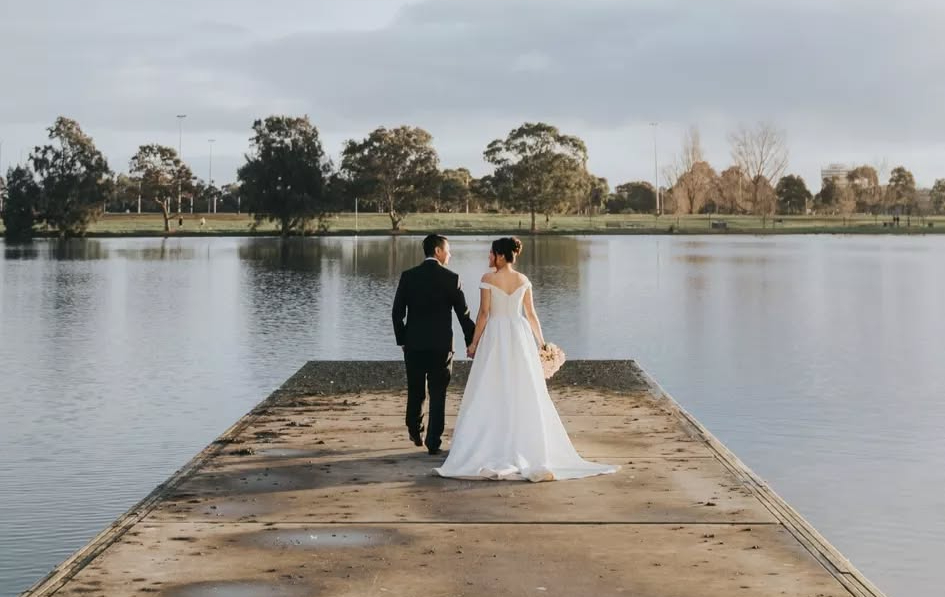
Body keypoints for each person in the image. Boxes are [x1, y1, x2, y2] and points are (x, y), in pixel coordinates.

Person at [434, 237, 618, 482]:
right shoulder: (524, 280)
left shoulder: (488, 279)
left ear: (500, 255)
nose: (489, 258)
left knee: (490, 385)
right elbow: (531, 315)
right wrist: (541, 343)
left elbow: (484, 314)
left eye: (491, 254)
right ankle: (525, 442)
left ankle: (491, 441)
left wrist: (474, 343)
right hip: (519, 335)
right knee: (524, 387)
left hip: (497, 335)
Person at [392, 234, 476, 455]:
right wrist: (472, 342)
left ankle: (415, 429)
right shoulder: (451, 278)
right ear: (438, 251)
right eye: (448, 250)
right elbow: (463, 315)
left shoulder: (408, 277)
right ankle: (433, 441)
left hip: (414, 345)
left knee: (415, 390)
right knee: (438, 394)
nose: (450, 254)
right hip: (441, 347)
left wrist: (402, 340)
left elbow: (397, 313)